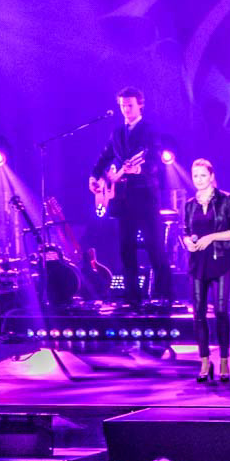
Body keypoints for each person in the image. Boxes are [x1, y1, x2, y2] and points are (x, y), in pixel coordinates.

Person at [90, 88, 171, 310]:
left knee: (155, 247)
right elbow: (104, 156)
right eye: (123, 106)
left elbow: (155, 160)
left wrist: (139, 170)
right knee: (126, 249)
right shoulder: (117, 132)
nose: (126, 109)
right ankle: (132, 297)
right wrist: (94, 176)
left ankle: (165, 296)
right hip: (122, 199)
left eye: (130, 105)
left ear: (140, 105)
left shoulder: (149, 130)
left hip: (145, 197)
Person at [180, 159, 230, 385]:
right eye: (195, 176)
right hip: (198, 263)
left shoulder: (226, 200)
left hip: (221, 262)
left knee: (221, 311)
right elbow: (185, 230)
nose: (199, 180)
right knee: (198, 313)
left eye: (203, 175)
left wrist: (211, 237)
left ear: (211, 176)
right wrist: (188, 241)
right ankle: (205, 361)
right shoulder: (190, 204)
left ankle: (224, 360)